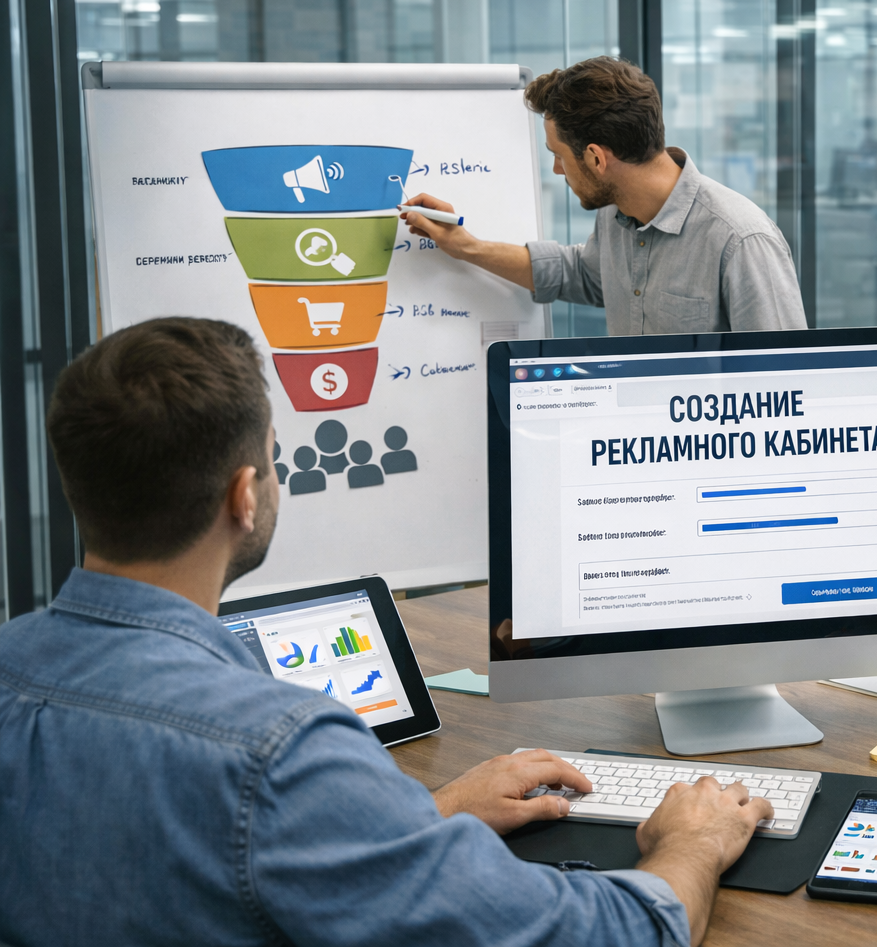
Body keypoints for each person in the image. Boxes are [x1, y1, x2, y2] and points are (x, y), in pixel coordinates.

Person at [0, 317, 772, 947]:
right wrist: (694, 841)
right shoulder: (279, 750)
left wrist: (418, 822)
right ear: (244, 495)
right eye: (273, 461)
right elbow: (604, 937)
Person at [402, 57, 807, 335]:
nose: (558, 170)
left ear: (596, 158)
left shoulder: (740, 240)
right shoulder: (617, 215)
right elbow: (582, 275)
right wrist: (466, 247)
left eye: (558, 156)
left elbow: (789, 384)